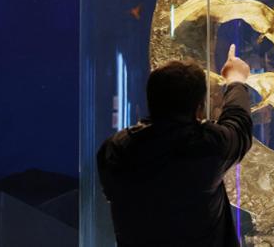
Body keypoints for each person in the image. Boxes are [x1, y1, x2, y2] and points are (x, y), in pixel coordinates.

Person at [97, 44, 252, 247]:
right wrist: (236, 81)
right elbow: (238, 125)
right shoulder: (205, 146)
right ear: (199, 108)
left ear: (151, 100)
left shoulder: (116, 149)